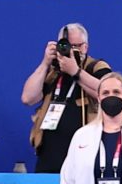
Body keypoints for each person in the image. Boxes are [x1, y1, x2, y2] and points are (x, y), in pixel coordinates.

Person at [23, 23, 113, 171]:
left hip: (85, 156)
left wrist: (76, 72)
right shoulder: (53, 72)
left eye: (77, 46)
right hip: (49, 156)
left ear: (86, 47)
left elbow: (107, 92)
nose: (71, 51)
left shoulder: (96, 67)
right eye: (67, 46)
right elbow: (27, 98)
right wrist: (45, 63)